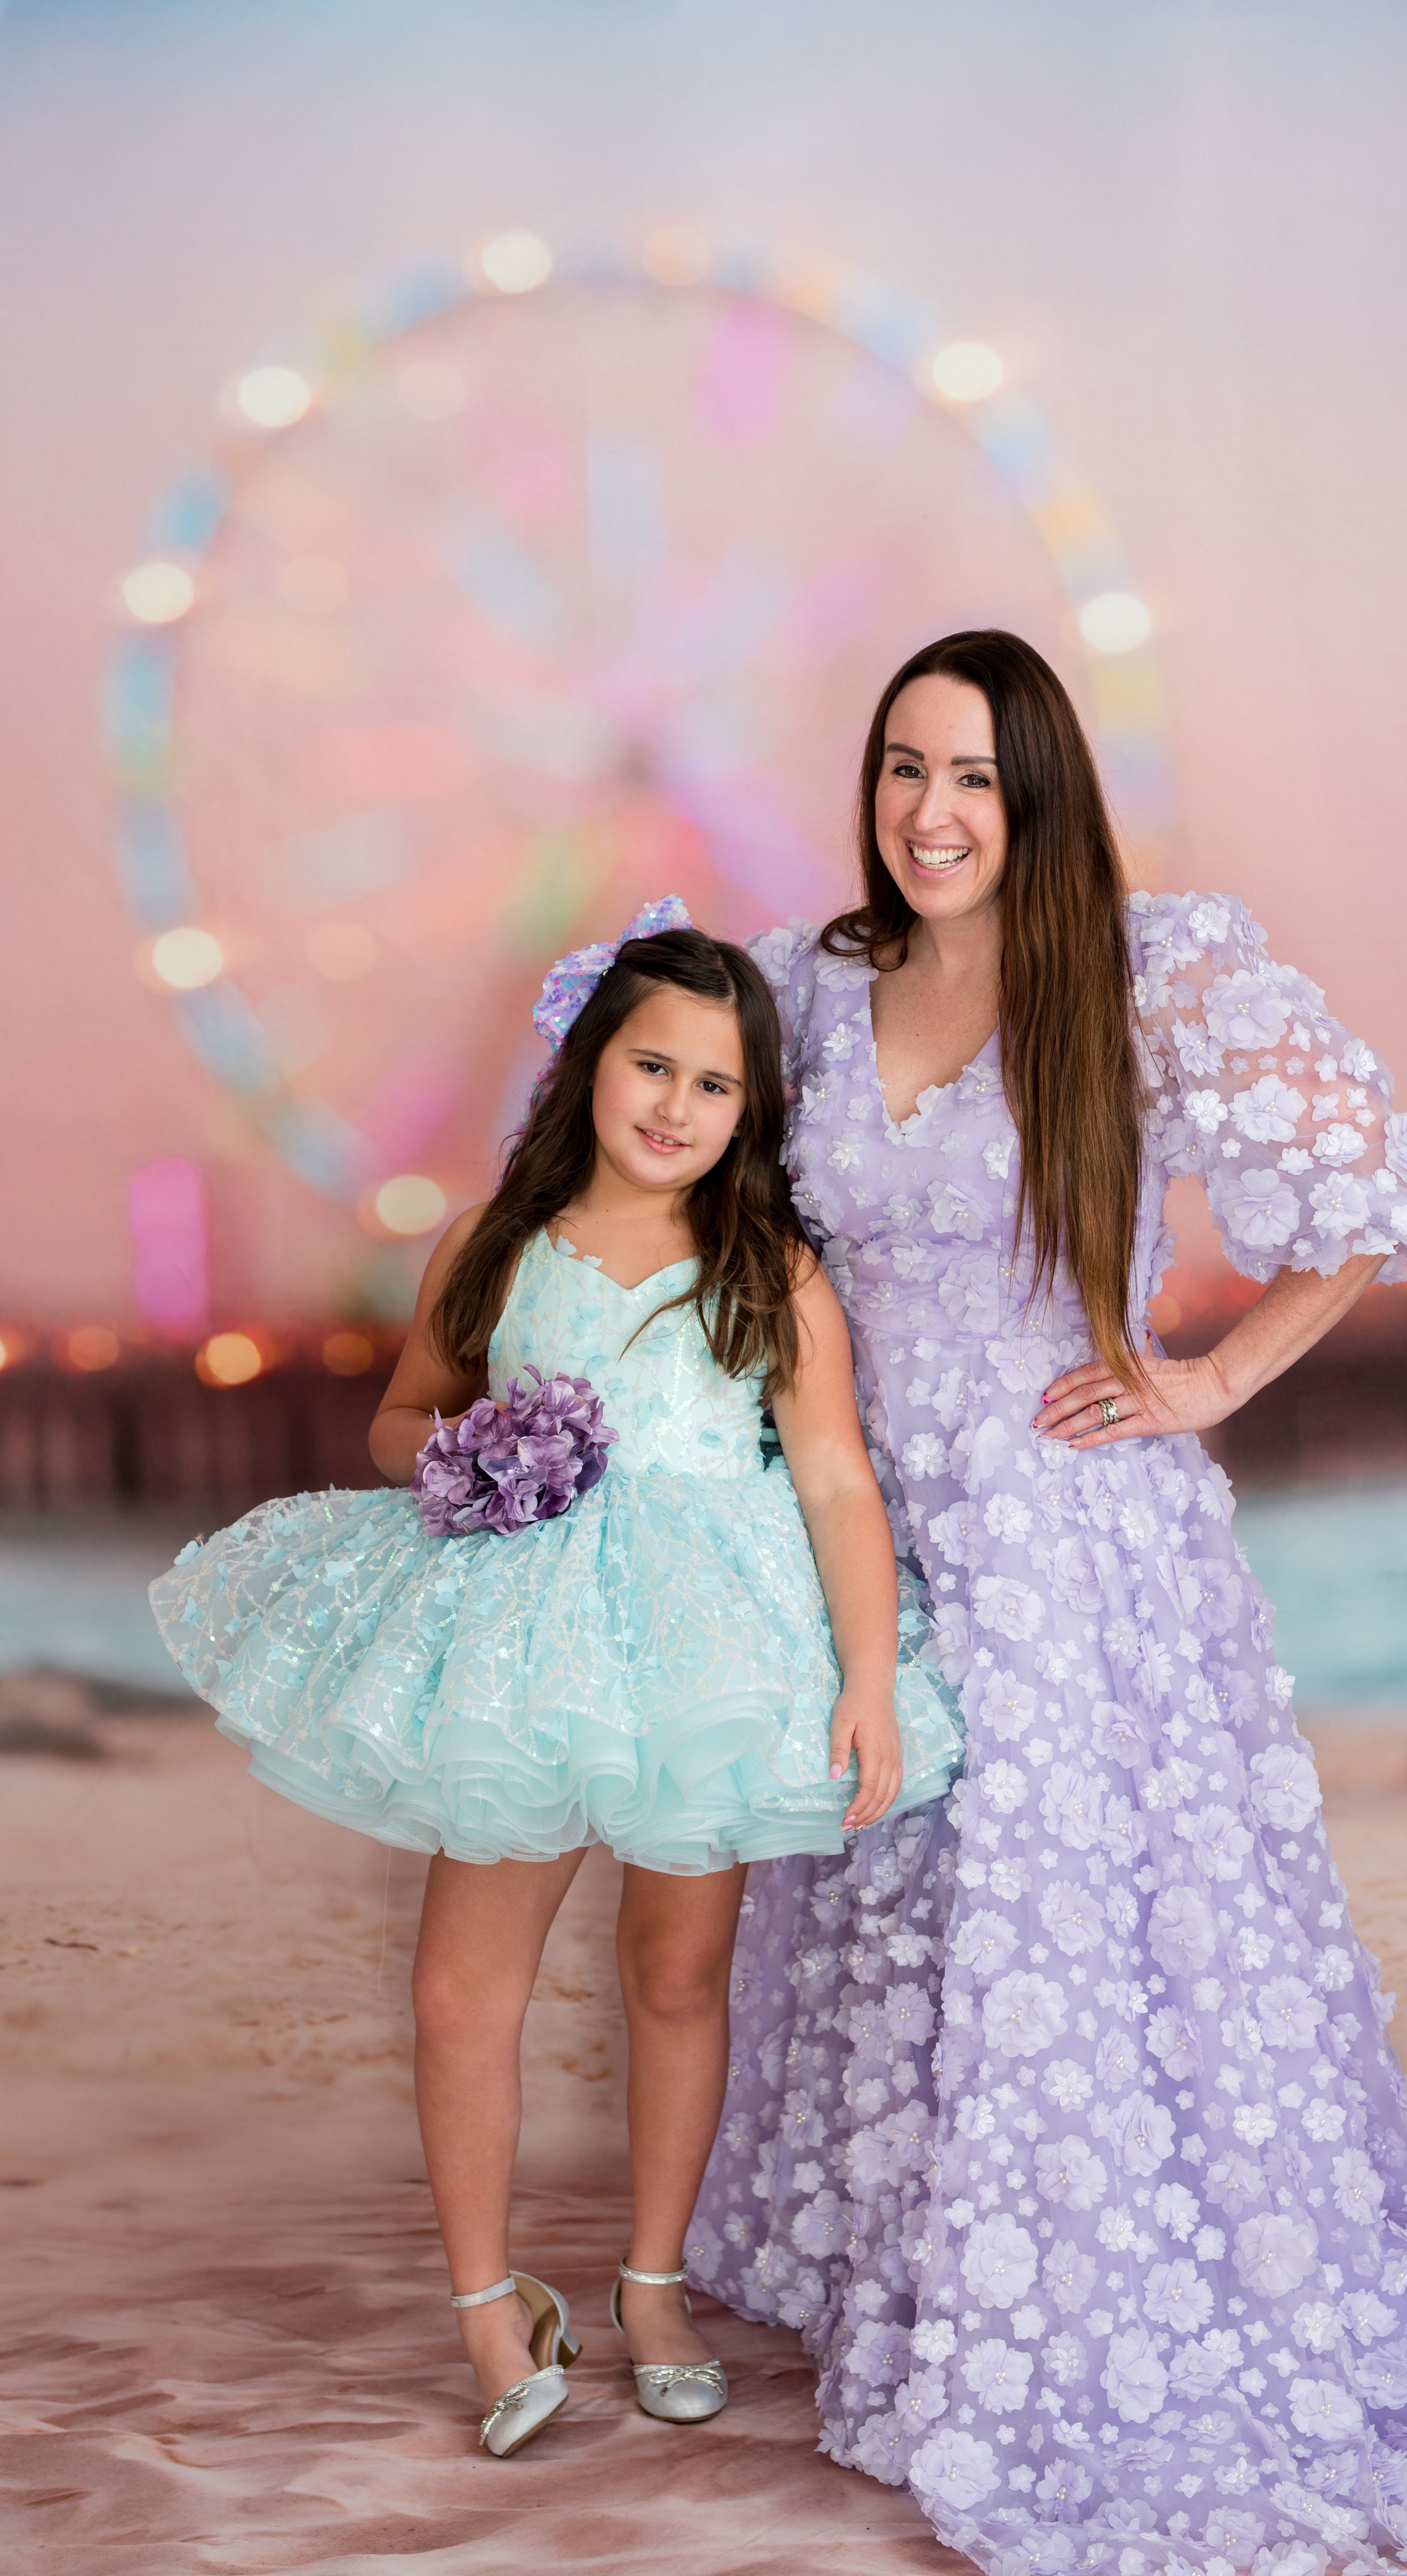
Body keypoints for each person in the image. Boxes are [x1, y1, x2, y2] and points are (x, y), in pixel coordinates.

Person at [690, 633, 1407, 2574]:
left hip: (1072, 1538)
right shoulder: (813, 985)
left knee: (1057, 1933)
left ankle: (1072, 2289)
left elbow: (1381, 1196)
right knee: (890, 1890)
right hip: (856, 1525)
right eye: (902, 769)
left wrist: (1209, 1377)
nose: (930, 813)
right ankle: (903, 2263)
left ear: (1038, 791)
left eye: (972, 776)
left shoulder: (1143, 970)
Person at [151, 908, 960, 2462]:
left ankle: (651, 2286)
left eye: (714, 1087)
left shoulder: (764, 1268)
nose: (673, 1107)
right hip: (528, 1643)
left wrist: (866, 1677)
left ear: (749, 1113)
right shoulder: (490, 1249)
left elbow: (839, 1483)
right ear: (592, 1062)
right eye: (649, 1064)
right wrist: (469, 1460)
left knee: (674, 1971)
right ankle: (485, 2302)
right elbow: (405, 1422)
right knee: (464, 1990)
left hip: (708, 1644)